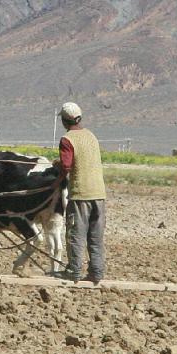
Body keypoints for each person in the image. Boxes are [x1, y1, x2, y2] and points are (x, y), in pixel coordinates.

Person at [56, 102, 106, 284]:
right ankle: (97, 273)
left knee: (76, 233)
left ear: (64, 120)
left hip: (80, 194)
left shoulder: (67, 139)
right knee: (95, 235)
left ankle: (74, 271)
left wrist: (57, 177)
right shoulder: (91, 136)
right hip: (99, 193)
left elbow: (67, 166)